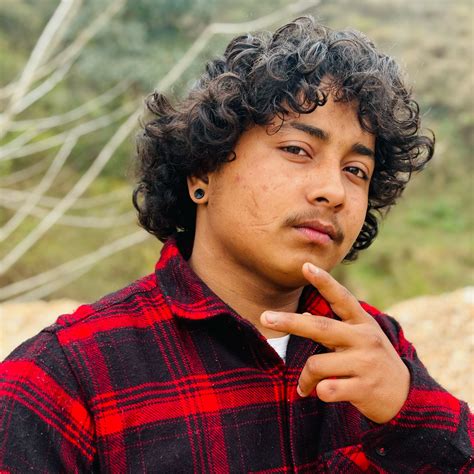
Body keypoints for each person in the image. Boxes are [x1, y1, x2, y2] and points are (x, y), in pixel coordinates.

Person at [0, 16, 472, 473]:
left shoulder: (378, 346)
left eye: (356, 170)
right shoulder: (63, 378)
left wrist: (407, 410)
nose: (333, 191)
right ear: (202, 172)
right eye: (297, 150)